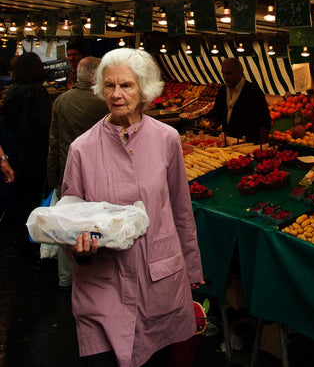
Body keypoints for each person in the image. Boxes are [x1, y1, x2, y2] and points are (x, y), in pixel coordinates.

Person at [61, 47, 204, 367]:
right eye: (109, 85)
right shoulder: (81, 148)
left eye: (126, 85)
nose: (116, 93)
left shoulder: (167, 138)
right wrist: (77, 249)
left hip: (158, 280)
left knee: (154, 358)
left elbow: (181, 207)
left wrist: (192, 267)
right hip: (102, 285)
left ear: (144, 90)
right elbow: (69, 218)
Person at [47, 56, 108, 289]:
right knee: (96, 225)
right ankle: (96, 279)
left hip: (67, 173)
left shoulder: (62, 101)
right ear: (96, 76)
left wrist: (52, 177)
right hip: (99, 174)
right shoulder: (104, 102)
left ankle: (66, 279)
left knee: (68, 226)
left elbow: (53, 142)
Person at [1, 52, 52, 256]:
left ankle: (20, 240)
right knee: (32, 199)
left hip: (16, 152)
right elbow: (42, 123)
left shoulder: (14, 92)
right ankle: (31, 242)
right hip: (34, 154)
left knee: (20, 197)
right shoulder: (37, 92)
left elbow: (8, 122)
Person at [208, 57, 271, 144]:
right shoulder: (222, 91)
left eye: (229, 73)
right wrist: (213, 122)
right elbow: (217, 111)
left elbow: (264, 121)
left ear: (239, 72)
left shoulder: (253, 92)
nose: (225, 77)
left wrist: (260, 144)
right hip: (227, 141)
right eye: (223, 73)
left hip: (247, 143)